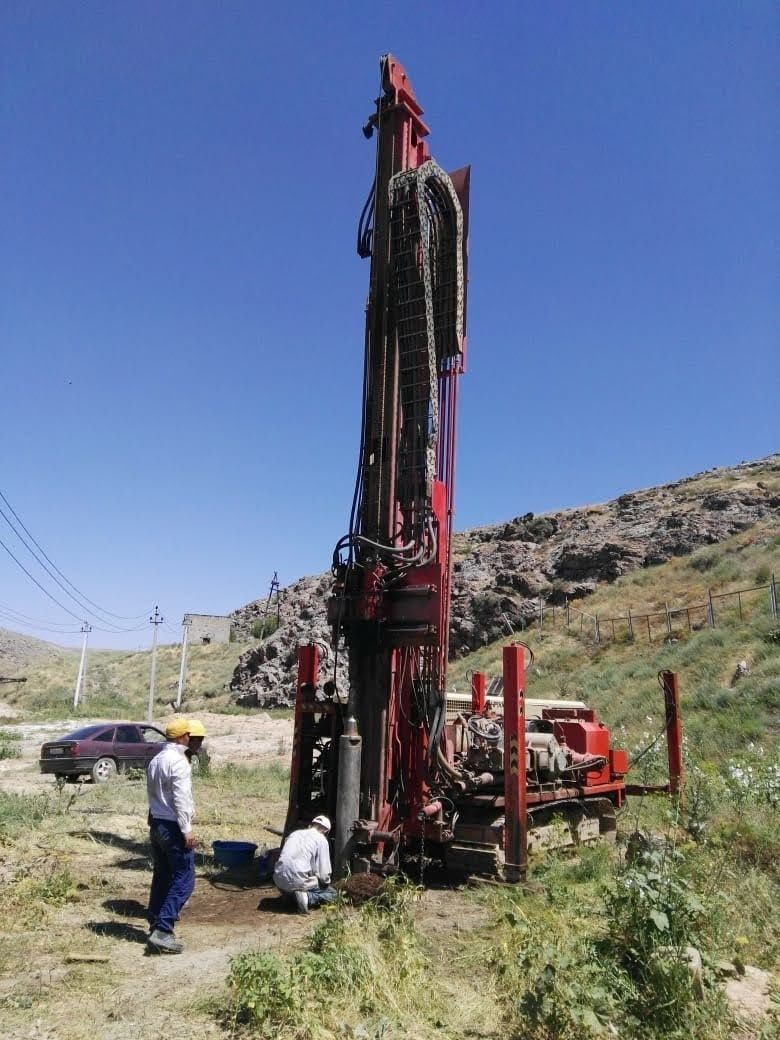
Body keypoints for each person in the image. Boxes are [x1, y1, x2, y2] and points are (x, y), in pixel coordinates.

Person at [146, 718, 197, 953]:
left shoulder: (156, 760)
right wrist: (186, 830)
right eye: (188, 735)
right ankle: (164, 929)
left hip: (156, 823)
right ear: (183, 737)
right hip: (172, 825)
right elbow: (181, 798)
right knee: (184, 879)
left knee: (162, 875)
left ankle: (155, 920)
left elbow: (155, 794)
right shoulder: (179, 762)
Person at [273, 815, 337, 914]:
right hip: (298, 881)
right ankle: (307, 897)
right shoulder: (321, 839)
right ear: (325, 831)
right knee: (333, 895)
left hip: (278, 879)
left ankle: (289, 896)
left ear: (312, 825)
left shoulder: (294, 834)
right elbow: (324, 875)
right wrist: (326, 883)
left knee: (298, 880)